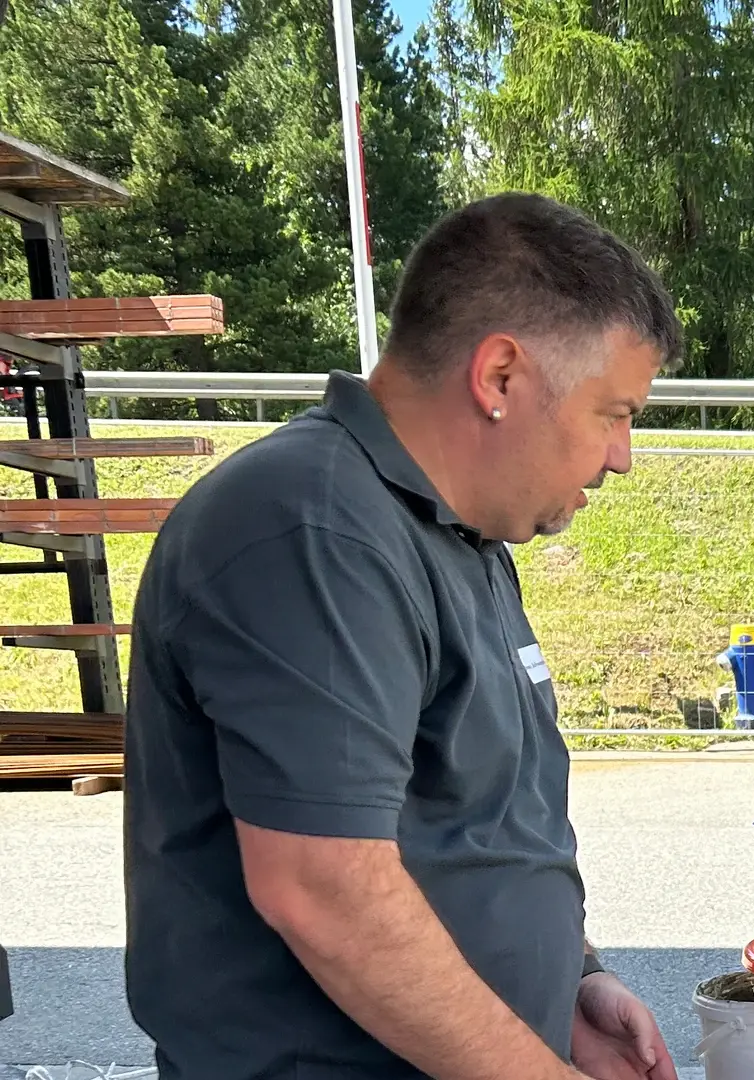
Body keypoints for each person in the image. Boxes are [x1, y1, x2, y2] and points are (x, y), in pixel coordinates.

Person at [123, 193, 683, 1080]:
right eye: (614, 413)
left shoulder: (460, 534)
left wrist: (573, 979)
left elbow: (475, 817)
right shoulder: (312, 528)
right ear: (500, 377)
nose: (622, 456)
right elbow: (325, 890)